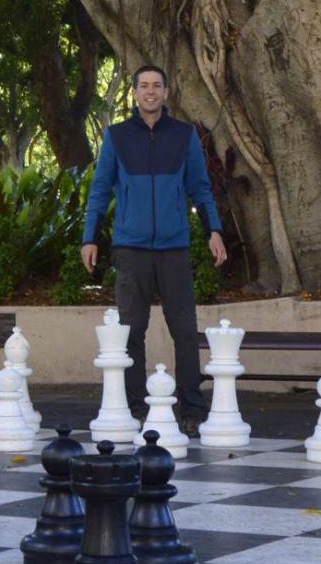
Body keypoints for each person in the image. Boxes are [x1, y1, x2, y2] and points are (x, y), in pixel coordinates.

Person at [81, 64, 227, 423]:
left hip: (174, 247)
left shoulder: (183, 136)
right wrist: (90, 237)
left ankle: (191, 408)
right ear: (134, 93)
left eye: (156, 85)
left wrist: (214, 230)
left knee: (184, 331)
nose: (150, 91)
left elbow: (200, 188)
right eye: (143, 85)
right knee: (131, 333)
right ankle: (135, 408)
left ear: (165, 92)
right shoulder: (116, 136)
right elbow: (99, 191)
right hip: (130, 248)